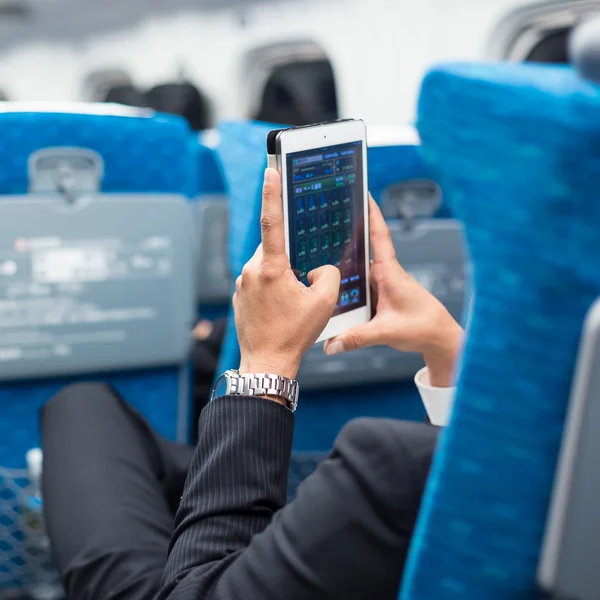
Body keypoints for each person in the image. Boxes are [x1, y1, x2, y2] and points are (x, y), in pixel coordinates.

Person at [41, 168, 463, 600]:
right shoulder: (521, 478)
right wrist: (448, 352)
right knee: (104, 418)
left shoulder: (385, 464)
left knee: (79, 407)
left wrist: (266, 366)